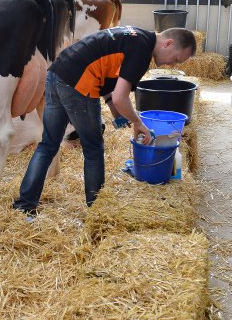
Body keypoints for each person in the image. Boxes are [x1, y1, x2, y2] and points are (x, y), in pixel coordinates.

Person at [12, 26, 196, 214]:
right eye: (175, 59)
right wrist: (138, 122)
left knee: (48, 145)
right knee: (93, 148)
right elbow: (120, 97)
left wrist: (115, 110)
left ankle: (24, 205)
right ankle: (96, 209)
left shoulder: (135, 35)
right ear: (168, 43)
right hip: (78, 83)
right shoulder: (142, 51)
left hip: (57, 72)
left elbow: (102, 65)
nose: (172, 65)